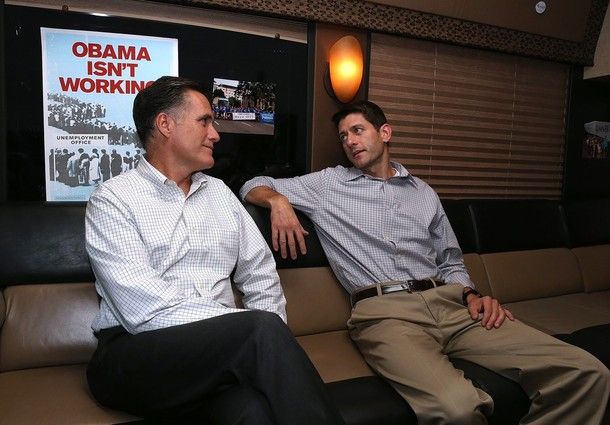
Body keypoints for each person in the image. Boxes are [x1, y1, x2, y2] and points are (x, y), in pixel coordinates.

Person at [240, 100, 610, 425]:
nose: (350, 141)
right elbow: (251, 182)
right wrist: (278, 201)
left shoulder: (423, 192)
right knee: (457, 409)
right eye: (343, 136)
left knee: (586, 371)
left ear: (385, 132)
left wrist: (472, 295)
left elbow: (450, 260)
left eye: (357, 130)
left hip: (451, 306)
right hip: (385, 313)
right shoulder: (328, 185)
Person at [85, 76, 344, 425]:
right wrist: (250, 330)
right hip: (132, 355)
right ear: (165, 125)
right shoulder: (113, 200)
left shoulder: (221, 193)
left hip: (217, 355)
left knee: (254, 414)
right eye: (204, 121)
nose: (216, 134)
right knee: (260, 330)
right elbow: (144, 310)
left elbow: (260, 273)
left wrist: (264, 341)